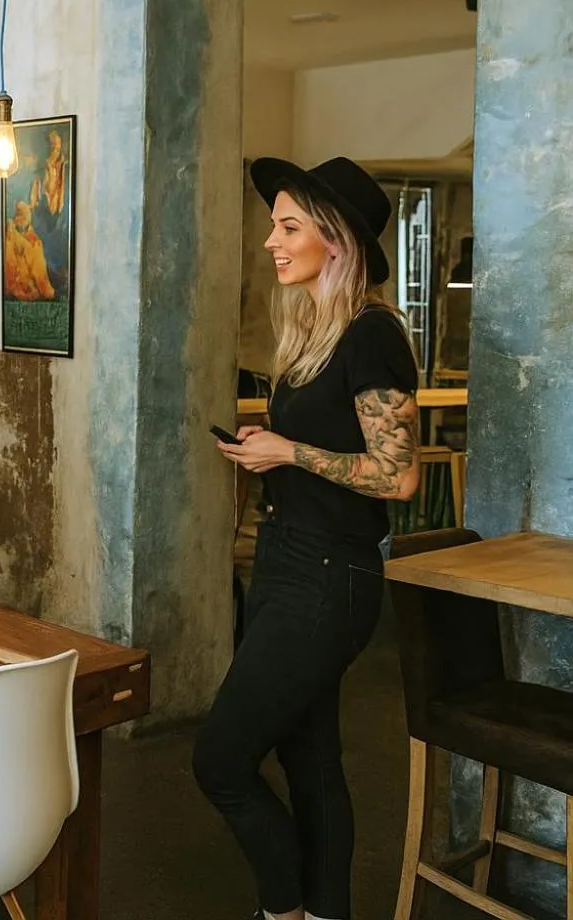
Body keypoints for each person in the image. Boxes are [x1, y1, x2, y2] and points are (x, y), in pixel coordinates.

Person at [195, 157, 421, 920]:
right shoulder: (316, 335)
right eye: (275, 225)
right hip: (288, 562)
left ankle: (282, 906)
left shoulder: (373, 335)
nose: (271, 241)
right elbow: (333, 449)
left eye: (288, 227)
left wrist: (287, 452)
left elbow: (398, 477)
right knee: (310, 757)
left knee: (220, 760)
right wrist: (272, 445)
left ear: (336, 239)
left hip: (330, 579)